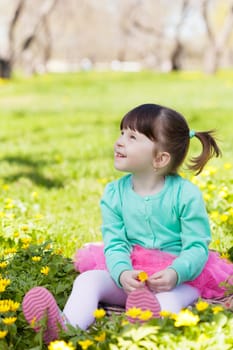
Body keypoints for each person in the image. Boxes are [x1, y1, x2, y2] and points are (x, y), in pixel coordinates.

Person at [22, 103, 233, 344]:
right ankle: (64, 327)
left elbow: (197, 246)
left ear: (160, 158)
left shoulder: (185, 194)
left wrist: (176, 274)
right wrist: (122, 274)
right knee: (88, 280)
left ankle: (145, 325)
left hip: (179, 278)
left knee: (169, 301)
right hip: (133, 273)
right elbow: (115, 243)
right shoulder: (114, 193)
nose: (120, 141)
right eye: (122, 132)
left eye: (132, 137)